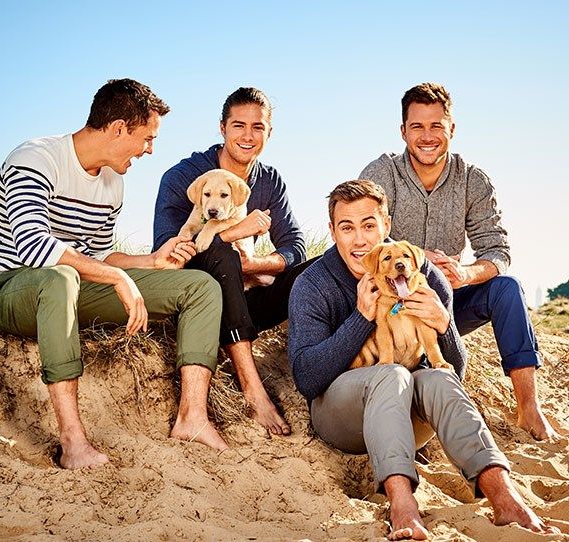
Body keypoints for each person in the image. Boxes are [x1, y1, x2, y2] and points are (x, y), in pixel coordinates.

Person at [0, 78, 227, 468]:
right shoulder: (35, 158)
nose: (150, 150)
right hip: (9, 290)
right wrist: (116, 278)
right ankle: (73, 443)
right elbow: (34, 247)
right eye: (147, 138)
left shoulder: (113, 183)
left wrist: (151, 261)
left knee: (200, 287)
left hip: (75, 287)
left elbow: (100, 256)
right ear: (119, 128)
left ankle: (191, 418)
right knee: (60, 278)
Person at [288, 180, 559, 539]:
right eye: (347, 228)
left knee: (439, 377)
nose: (359, 240)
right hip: (342, 420)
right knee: (392, 374)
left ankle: (505, 497)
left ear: (386, 224)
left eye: (369, 225)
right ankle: (402, 506)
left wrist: (445, 325)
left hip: (408, 421)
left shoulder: (423, 274)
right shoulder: (313, 283)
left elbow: (454, 370)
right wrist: (361, 319)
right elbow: (307, 377)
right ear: (332, 231)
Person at [359, 82, 558, 441]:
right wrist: (421, 261)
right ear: (403, 131)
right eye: (417, 126)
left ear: (452, 129)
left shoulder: (473, 180)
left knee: (508, 288)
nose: (427, 136)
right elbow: (362, 236)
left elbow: (497, 251)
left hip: (448, 302)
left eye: (436, 125)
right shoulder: (382, 172)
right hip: (391, 304)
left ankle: (529, 409)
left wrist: (465, 273)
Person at [154, 87, 311, 436]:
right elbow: (168, 252)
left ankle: (321, 368)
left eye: (258, 127)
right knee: (223, 254)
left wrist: (256, 265)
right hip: (200, 303)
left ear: (269, 132)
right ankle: (252, 387)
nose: (248, 136)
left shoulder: (269, 180)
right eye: (239, 125)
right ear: (222, 127)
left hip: (246, 294)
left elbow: (295, 246)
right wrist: (233, 233)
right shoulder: (185, 177)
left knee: (320, 266)